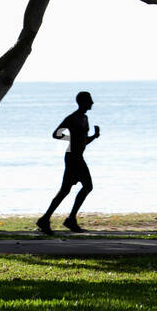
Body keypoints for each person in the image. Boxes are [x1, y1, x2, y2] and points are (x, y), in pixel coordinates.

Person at [36, 91, 99, 235]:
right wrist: (70, 139)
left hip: (78, 157)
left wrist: (94, 137)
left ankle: (53, 219)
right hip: (72, 157)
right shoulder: (72, 118)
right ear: (82, 102)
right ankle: (55, 219)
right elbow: (56, 134)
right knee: (72, 189)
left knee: (77, 188)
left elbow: (83, 140)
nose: (92, 103)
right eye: (89, 100)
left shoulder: (85, 118)